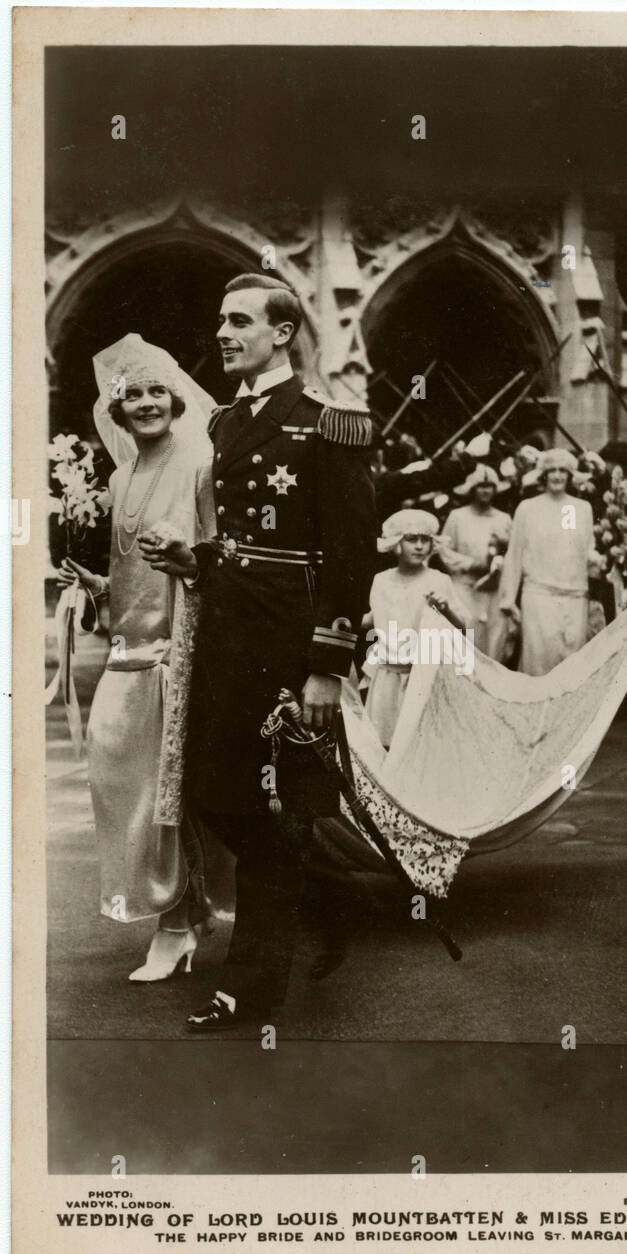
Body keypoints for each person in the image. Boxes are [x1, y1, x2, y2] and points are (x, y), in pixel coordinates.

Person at [143, 273, 377, 1030]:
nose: (221, 332)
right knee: (211, 790)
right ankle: (327, 892)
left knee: (289, 805)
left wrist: (326, 665)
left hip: (291, 637)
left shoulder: (328, 423)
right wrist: (197, 557)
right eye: (219, 320)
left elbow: (347, 554)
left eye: (238, 321)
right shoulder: (222, 421)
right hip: (229, 631)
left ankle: (247, 989)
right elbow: (246, 542)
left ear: (282, 333)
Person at [57, 334, 220, 981]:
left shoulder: (201, 462)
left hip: (178, 650)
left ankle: (175, 927)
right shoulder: (121, 474)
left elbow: (215, 558)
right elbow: (131, 573)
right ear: (116, 408)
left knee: (161, 790)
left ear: (176, 398)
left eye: (157, 391)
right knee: (118, 776)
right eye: (133, 394)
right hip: (129, 649)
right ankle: (188, 913)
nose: (146, 402)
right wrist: (99, 589)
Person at [363, 509, 466, 749]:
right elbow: (374, 619)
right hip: (386, 675)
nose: (419, 546)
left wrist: (445, 608)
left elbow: (462, 627)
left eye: (425, 539)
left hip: (421, 677)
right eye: (411, 539)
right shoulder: (381, 580)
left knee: (418, 743)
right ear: (396, 542)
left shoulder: (438, 581)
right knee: (382, 741)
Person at [499, 448, 594, 675]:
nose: (558, 476)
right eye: (552, 471)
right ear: (543, 474)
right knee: (539, 665)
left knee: (571, 667)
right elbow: (514, 555)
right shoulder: (528, 508)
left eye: (563, 471)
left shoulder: (580, 509)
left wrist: (599, 561)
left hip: (574, 597)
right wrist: (508, 599)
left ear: (570, 475)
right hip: (539, 598)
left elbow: (581, 549)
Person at [440, 463, 512, 660]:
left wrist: (498, 563)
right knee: (466, 640)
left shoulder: (503, 519)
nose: (485, 491)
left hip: (493, 590)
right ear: (472, 489)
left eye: (489, 486)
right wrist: (471, 564)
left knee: (493, 644)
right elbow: (444, 549)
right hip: (465, 588)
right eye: (480, 486)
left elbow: (512, 553)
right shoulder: (458, 517)